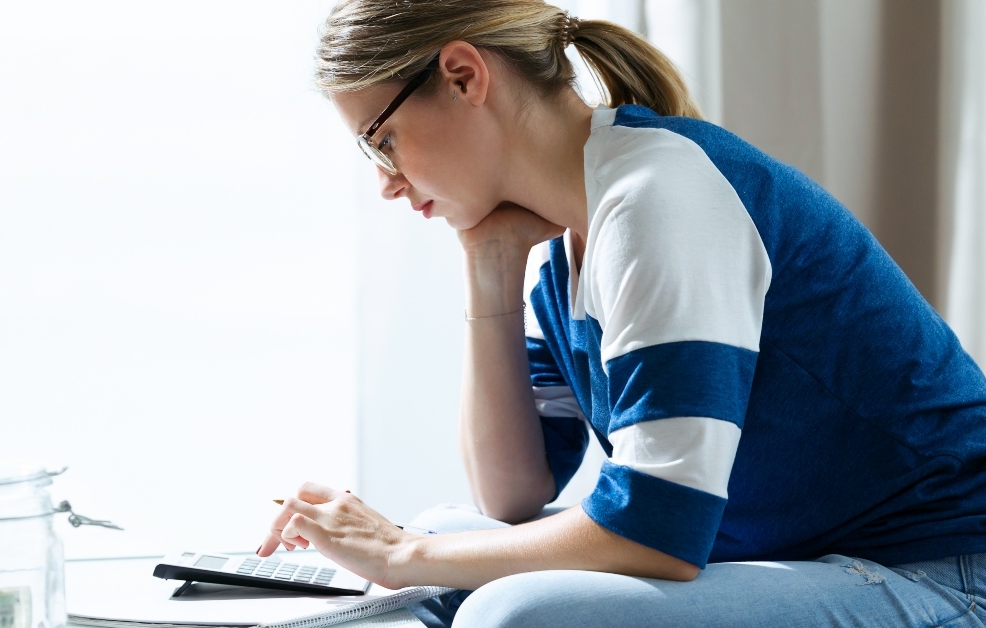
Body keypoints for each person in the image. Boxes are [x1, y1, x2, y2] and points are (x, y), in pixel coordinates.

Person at [256, 1, 986, 625]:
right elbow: (512, 492)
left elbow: (655, 531)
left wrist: (397, 552)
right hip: (794, 555)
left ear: (463, 75)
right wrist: (490, 268)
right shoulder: (571, 241)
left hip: (937, 568)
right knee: (446, 537)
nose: (386, 183)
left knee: (509, 612)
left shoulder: (658, 197)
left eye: (381, 142)